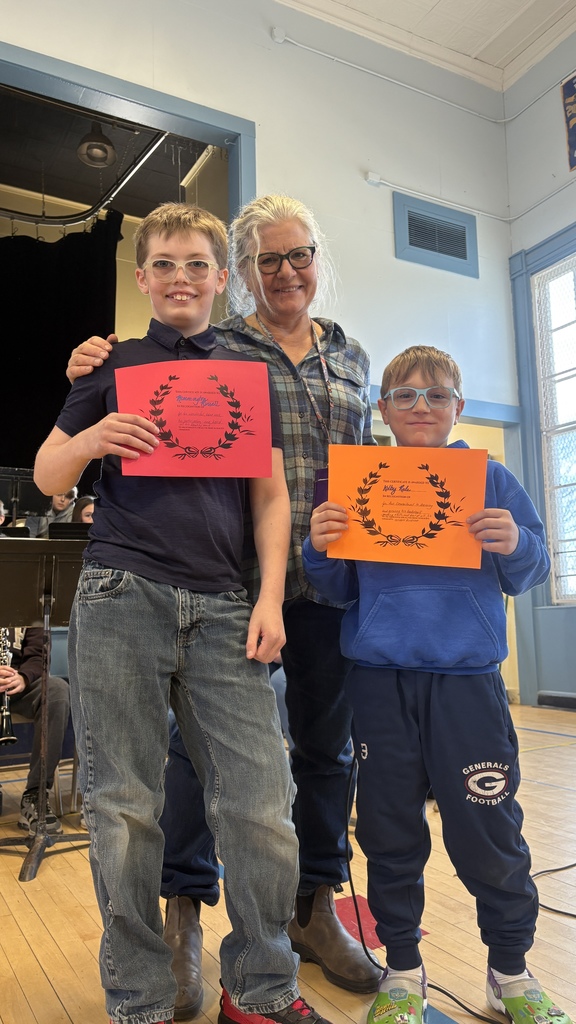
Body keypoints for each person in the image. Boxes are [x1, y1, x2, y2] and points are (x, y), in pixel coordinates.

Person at [66, 193, 382, 1010]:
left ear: (317, 260)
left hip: (324, 585)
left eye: (299, 255)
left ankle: (309, 916)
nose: (287, 271)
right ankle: (182, 919)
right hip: (219, 584)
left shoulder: (350, 357)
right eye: (268, 260)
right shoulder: (206, 346)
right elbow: (81, 442)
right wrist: (89, 380)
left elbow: (361, 464)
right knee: (175, 776)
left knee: (310, 765)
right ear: (241, 275)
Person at [302, 344, 572, 1024]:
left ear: (458, 406)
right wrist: (319, 545)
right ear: (383, 409)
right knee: (390, 830)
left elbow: (530, 569)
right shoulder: (356, 481)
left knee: (490, 829)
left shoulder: (493, 481)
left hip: (467, 684)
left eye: (436, 395)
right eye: (405, 395)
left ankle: (509, 971)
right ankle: (403, 973)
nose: (421, 406)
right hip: (380, 682)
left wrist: (516, 540)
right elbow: (333, 589)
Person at [0, 626, 70, 835]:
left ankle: (35, 794)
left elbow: (39, 653)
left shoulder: (24, 600)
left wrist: (23, 678)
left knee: (56, 691)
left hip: (19, 683)